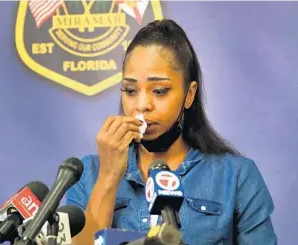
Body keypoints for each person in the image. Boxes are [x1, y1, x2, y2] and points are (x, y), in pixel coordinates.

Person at [65, 19, 277, 245]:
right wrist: (108, 176)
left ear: (189, 94)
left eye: (159, 91)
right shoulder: (88, 173)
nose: (142, 104)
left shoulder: (235, 176)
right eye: (130, 90)